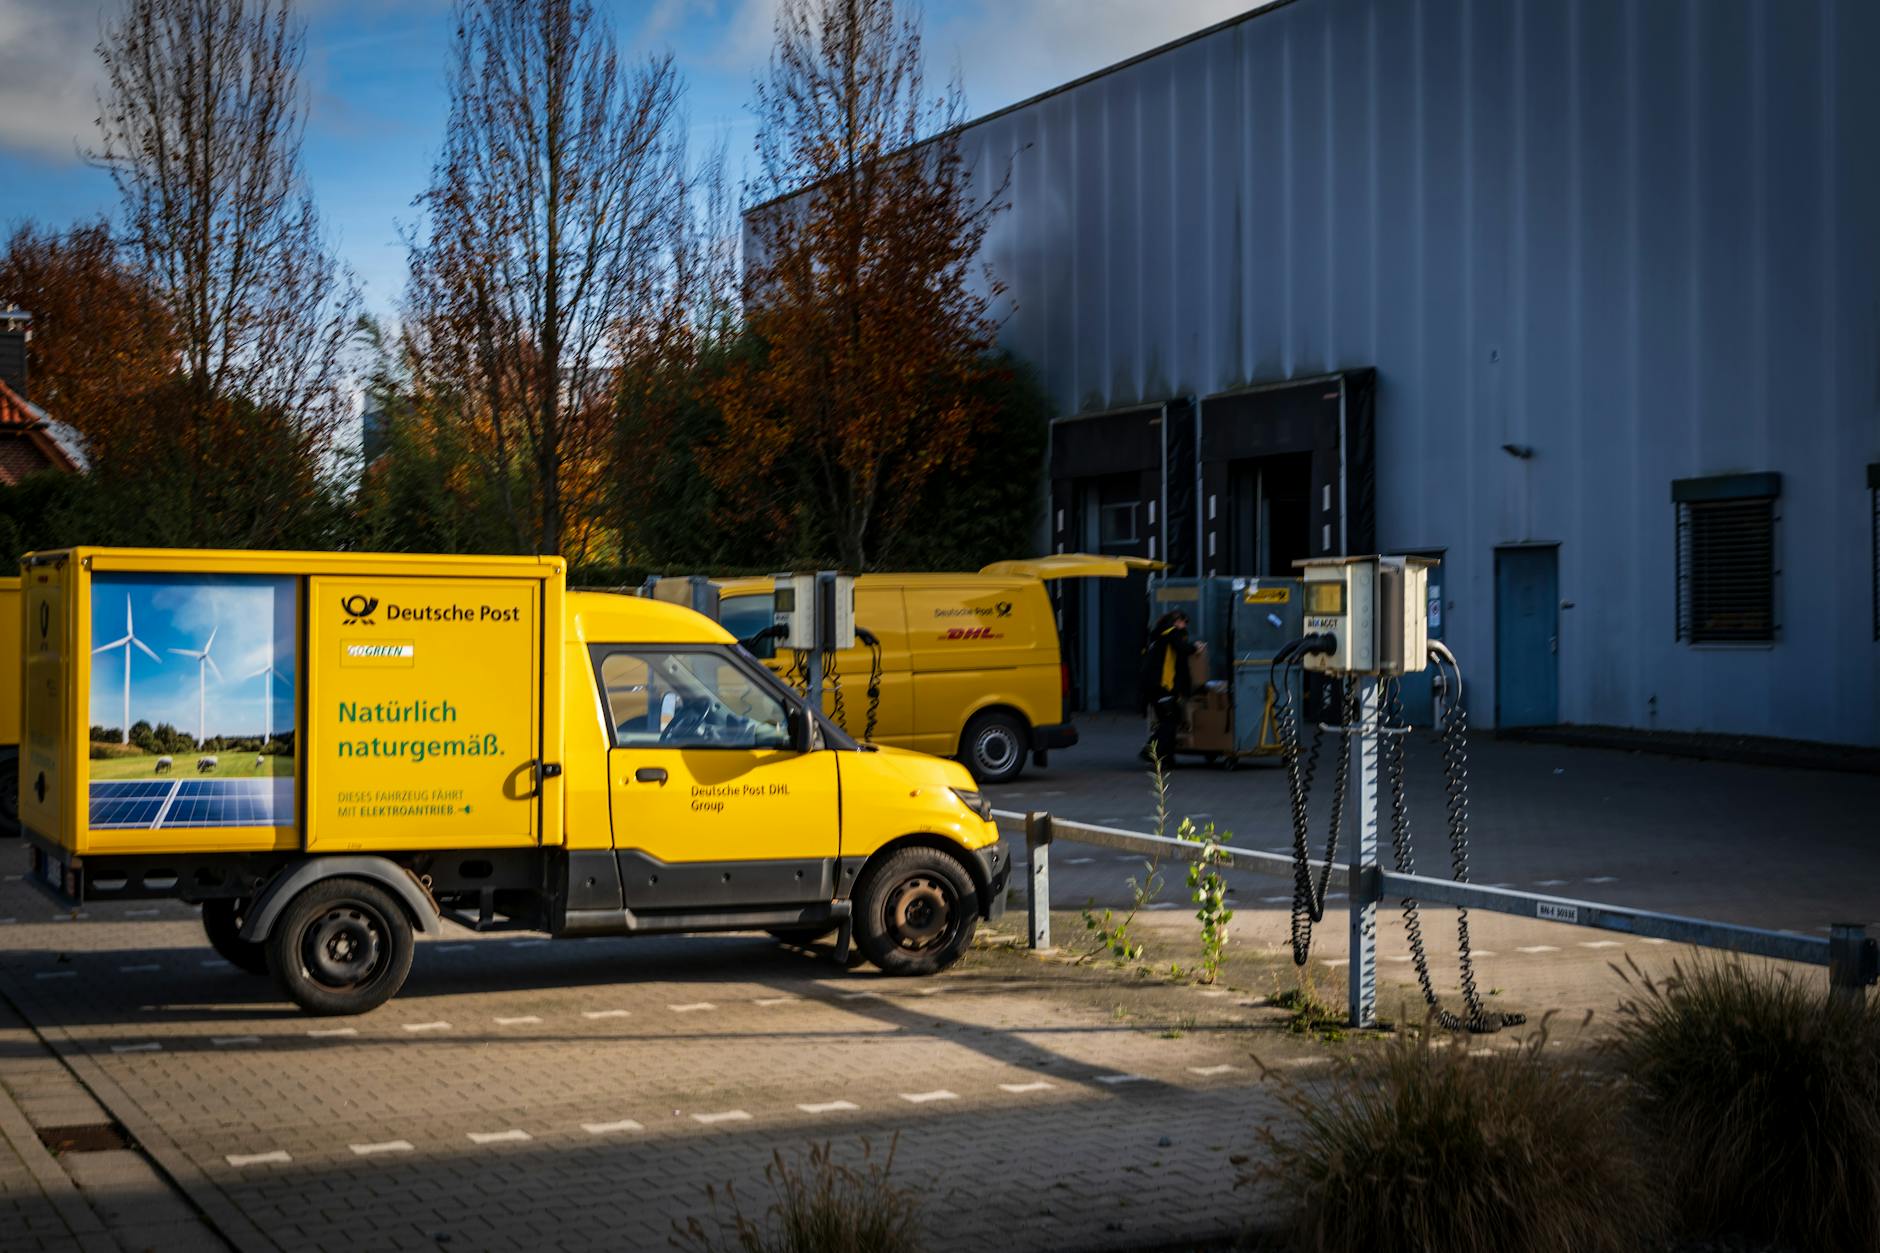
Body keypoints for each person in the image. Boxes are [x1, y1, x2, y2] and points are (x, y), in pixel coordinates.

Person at [1139, 609, 1196, 767]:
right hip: (1161, 685)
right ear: (1177, 621)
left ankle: (1168, 758)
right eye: (1185, 622)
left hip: (1153, 685)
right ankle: (1151, 750)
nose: (1185, 626)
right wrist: (1195, 647)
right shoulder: (1171, 633)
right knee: (1170, 720)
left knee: (1169, 720)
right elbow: (1183, 648)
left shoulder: (1158, 635)